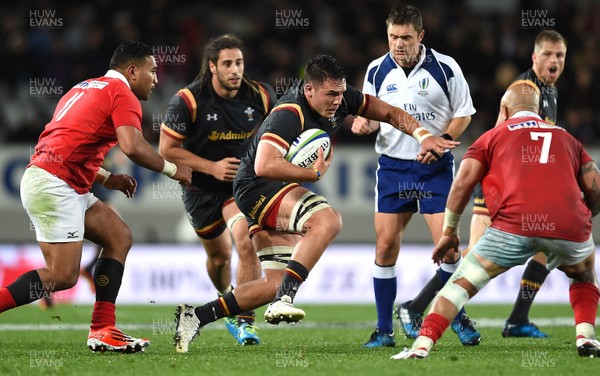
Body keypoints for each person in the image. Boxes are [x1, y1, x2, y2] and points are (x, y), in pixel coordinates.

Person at [172, 54, 459, 353]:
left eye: (340, 92)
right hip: (256, 186)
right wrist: (312, 173)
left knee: (272, 282)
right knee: (328, 220)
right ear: (309, 90)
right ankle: (287, 297)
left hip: (273, 188)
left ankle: (196, 316)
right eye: (331, 94)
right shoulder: (289, 113)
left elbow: (386, 111)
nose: (338, 101)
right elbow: (264, 165)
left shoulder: (343, 97)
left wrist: (422, 135)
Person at [0, 41, 192, 353]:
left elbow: (64, 142)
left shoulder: (83, 88)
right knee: (62, 275)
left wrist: (106, 176)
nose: (156, 79)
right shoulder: (122, 93)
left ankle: (103, 329)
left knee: (118, 236)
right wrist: (173, 169)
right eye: (152, 71)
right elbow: (132, 146)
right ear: (132, 70)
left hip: (56, 179)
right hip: (54, 184)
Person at [392, 81, 600, 360]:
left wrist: (450, 231)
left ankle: (421, 346)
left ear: (504, 108)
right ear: (538, 110)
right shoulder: (568, 138)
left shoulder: (493, 136)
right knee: (584, 274)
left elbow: (462, 183)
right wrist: (582, 219)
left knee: (459, 286)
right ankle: (586, 338)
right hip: (570, 227)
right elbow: (595, 188)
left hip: (513, 226)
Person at [350, 5, 479, 348]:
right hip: (393, 167)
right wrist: (365, 123)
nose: (398, 44)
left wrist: (443, 143)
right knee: (385, 245)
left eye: (406, 37)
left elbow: (463, 114)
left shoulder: (446, 67)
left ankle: (456, 317)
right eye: (393, 37)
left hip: (433, 167)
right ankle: (383, 331)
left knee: (449, 250)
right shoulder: (377, 70)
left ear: (421, 36)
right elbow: (374, 114)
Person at [159, 34, 276, 345]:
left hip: (241, 187)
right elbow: (167, 149)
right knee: (220, 258)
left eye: (238, 62)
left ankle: (244, 320)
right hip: (201, 190)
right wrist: (209, 166)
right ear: (212, 67)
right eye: (227, 64)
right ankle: (225, 295)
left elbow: (279, 135)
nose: (235, 69)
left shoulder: (261, 96)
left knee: (245, 241)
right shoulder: (188, 100)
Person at [466, 29, 567, 338]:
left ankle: (518, 319)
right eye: (548, 54)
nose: (554, 61)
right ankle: (418, 308)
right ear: (534, 57)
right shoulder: (523, 91)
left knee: (547, 248)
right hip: (498, 186)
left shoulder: (550, 91)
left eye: (559, 55)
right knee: (475, 264)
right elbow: (499, 139)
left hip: (519, 188)